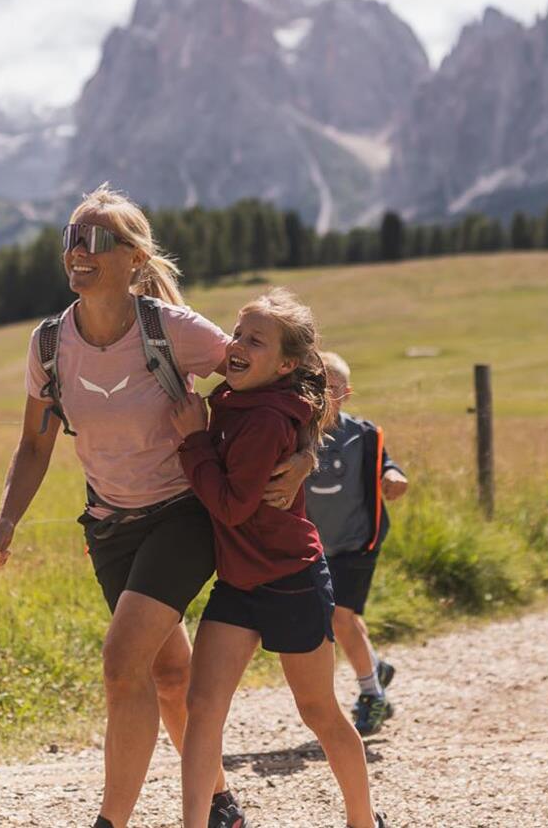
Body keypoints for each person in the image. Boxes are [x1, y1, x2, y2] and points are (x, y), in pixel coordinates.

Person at [0, 185, 312, 828]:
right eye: (71, 237)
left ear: (134, 259)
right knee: (167, 673)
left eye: (97, 240)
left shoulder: (173, 331)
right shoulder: (49, 346)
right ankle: (220, 805)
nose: (79, 250)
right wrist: (7, 521)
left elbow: (289, 372)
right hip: (109, 526)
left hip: (183, 514)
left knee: (121, 660)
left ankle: (110, 823)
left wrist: (306, 453)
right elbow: (34, 443)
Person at [171, 289, 387, 828]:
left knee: (319, 712)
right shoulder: (234, 398)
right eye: (238, 333)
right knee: (202, 709)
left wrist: (193, 441)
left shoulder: (265, 417)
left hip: (292, 581)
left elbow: (233, 506)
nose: (237, 345)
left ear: (287, 364)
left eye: (255, 341)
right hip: (239, 584)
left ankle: (364, 821)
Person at [304, 350, 408, 736]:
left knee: (340, 617)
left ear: (346, 393)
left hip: (357, 541)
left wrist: (395, 478)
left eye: (330, 387)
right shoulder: (296, 432)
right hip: (314, 545)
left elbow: (387, 465)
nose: (321, 394)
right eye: (313, 384)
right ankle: (374, 667)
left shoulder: (362, 435)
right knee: (344, 618)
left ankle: (372, 694)